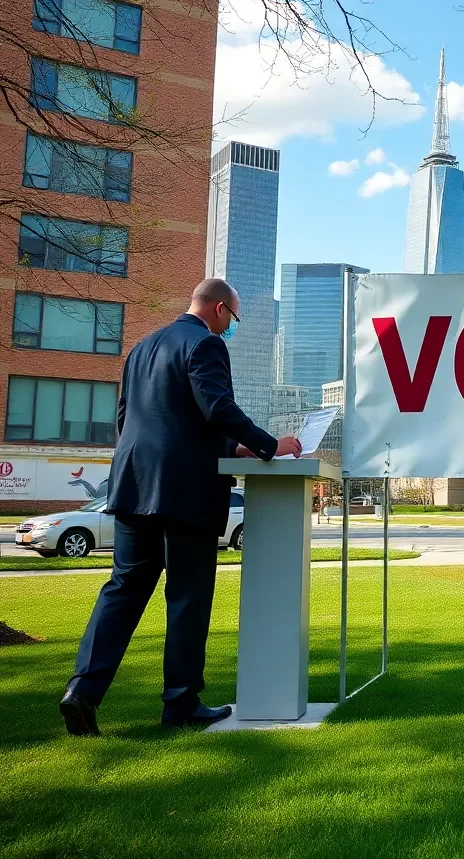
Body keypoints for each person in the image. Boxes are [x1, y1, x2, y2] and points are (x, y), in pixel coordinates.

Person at [59, 278, 302, 735]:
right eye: (233, 318)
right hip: (186, 490)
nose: (230, 327)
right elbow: (216, 406)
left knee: (123, 589)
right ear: (219, 310)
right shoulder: (207, 345)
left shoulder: (142, 348)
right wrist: (270, 445)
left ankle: (82, 691)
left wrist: (235, 448)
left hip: (133, 485)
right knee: (187, 597)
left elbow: (129, 417)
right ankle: (181, 703)